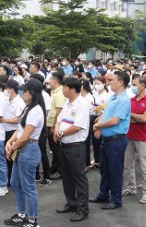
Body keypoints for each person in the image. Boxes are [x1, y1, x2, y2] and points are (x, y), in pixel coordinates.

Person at [3, 79, 45, 227]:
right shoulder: (28, 107)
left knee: (28, 186)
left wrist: (12, 146)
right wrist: (9, 142)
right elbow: (19, 130)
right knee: (15, 182)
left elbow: (26, 137)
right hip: (22, 149)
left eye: (24, 91)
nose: (22, 93)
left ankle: (33, 220)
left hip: (28, 150)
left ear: (31, 93)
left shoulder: (35, 111)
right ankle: (21, 214)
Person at [90, 70, 131, 210]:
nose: (110, 82)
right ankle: (103, 195)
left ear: (120, 82)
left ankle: (116, 200)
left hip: (117, 140)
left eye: (112, 80)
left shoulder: (124, 99)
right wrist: (99, 125)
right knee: (105, 170)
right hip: (107, 139)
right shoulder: (113, 97)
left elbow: (114, 120)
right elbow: (106, 114)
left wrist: (97, 125)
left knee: (115, 171)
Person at [53, 78, 90, 222]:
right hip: (64, 145)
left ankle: (83, 209)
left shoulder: (82, 103)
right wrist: (56, 129)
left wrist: (60, 133)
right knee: (67, 177)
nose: (63, 90)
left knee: (79, 178)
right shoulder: (68, 102)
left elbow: (77, 126)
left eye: (65, 87)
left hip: (75, 147)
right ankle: (71, 203)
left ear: (73, 89)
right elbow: (59, 119)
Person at [123, 75, 146, 204]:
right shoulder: (130, 100)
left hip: (143, 137)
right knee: (128, 165)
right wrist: (138, 117)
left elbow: (145, 119)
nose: (133, 87)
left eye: (135, 84)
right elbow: (127, 119)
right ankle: (131, 188)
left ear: (143, 85)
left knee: (145, 166)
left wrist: (130, 115)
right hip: (129, 136)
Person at [3, 79, 26, 182]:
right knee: (7, 156)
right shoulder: (7, 100)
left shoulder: (19, 102)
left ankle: (14, 179)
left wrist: (2, 120)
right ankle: (9, 178)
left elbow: (17, 119)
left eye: (6, 89)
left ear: (11, 90)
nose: (5, 91)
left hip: (14, 132)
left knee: (13, 156)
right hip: (6, 130)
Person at [47, 72, 66, 178]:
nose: (49, 81)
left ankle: (60, 171)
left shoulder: (59, 93)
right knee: (54, 149)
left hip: (54, 124)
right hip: (50, 123)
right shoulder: (54, 92)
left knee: (56, 149)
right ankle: (53, 169)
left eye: (50, 79)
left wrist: (54, 126)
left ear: (55, 81)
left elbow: (59, 111)